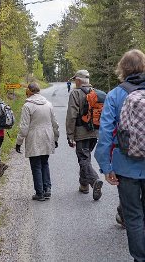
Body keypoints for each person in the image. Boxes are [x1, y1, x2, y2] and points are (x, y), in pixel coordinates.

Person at [94, 49, 145, 261]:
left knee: (133, 217)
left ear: (122, 69)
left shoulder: (115, 94)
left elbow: (105, 133)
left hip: (126, 166)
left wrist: (106, 167)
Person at [15, 82, 59, 201]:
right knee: (44, 163)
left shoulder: (27, 106)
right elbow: (55, 124)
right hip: (47, 136)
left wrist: (18, 142)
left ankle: (39, 193)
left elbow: (24, 127)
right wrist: (55, 138)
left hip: (34, 137)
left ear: (29, 92)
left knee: (36, 165)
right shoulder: (48, 104)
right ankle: (47, 189)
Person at [66, 69, 103, 201]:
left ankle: (94, 181)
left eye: (75, 80)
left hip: (81, 133)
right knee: (85, 158)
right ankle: (84, 185)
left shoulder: (75, 93)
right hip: (95, 133)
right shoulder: (96, 93)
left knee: (83, 159)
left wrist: (70, 135)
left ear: (78, 80)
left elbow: (71, 115)